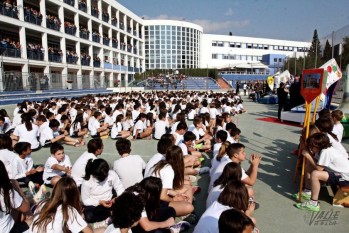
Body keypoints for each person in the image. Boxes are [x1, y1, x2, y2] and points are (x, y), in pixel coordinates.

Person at [296, 133, 349, 212]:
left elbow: (319, 168)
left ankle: (313, 203)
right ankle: (308, 191)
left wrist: (308, 155)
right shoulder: (321, 150)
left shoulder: (326, 152)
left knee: (315, 174)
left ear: (318, 146)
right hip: (339, 173)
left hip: (345, 177)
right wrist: (306, 150)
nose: (310, 148)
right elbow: (315, 162)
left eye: (312, 146)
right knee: (310, 166)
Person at [81, 158, 124, 224]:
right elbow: (85, 200)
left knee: (126, 204)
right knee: (89, 216)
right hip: (95, 205)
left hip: (110, 201)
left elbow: (119, 188)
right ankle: (111, 214)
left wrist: (117, 198)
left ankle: (110, 215)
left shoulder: (112, 174)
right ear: (94, 175)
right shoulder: (87, 181)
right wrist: (99, 202)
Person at [0, 160, 30, 233]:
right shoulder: (5, 191)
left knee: (15, 208)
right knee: (31, 217)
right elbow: (26, 208)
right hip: (7, 230)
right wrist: (17, 188)